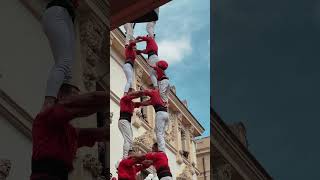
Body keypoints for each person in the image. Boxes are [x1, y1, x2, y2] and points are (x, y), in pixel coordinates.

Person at [30, 84, 108, 180]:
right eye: (75, 95)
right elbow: (92, 98)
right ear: (61, 97)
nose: (79, 99)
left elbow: (100, 134)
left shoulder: (70, 131)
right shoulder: (47, 116)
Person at [41, 0, 80, 111]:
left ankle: (61, 104)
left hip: (67, 16)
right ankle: (49, 102)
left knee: (68, 70)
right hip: (59, 12)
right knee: (64, 61)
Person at [138, 87, 169, 152]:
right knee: (162, 134)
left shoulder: (154, 92)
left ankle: (161, 151)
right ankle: (161, 149)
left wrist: (135, 94)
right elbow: (145, 103)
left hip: (160, 113)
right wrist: (137, 104)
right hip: (166, 114)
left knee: (159, 133)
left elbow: (145, 91)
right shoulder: (158, 98)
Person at [118, 88, 145, 158]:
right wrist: (142, 92)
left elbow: (143, 103)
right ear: (129, 93)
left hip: (127, 121)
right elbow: (135, 95)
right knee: (128, 139)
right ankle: (125, 156)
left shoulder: (132, 103)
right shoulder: (124, 98)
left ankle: (129, 153)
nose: (134, 94)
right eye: (133, 93)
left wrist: (152, 101)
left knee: (130, 139)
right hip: (123, 120)